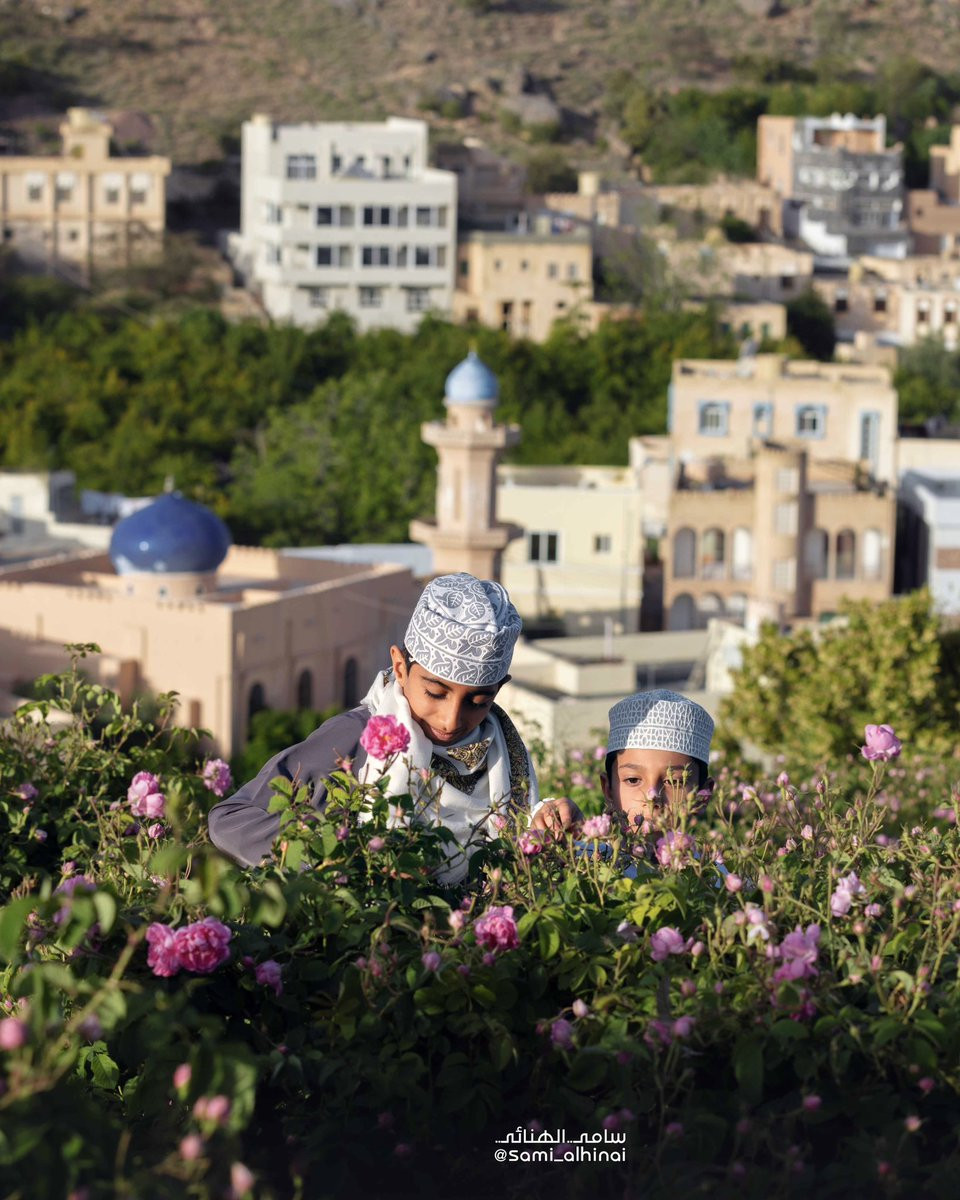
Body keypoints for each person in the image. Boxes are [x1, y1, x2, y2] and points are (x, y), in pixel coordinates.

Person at [208, 572, 577, 880]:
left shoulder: (501, 751)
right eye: (435, 693)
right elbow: (230, 821)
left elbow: (508, 837)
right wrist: (343, 861)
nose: (451, 719)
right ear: (400, 668)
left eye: (478, 702)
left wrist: (545, 819)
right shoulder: (355, 739)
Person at [600, 688, 715, 831]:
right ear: (608, 789)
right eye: (633, 780)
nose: (652, 797)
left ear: (703, 795)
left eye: (673, 782)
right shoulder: (582, 845)